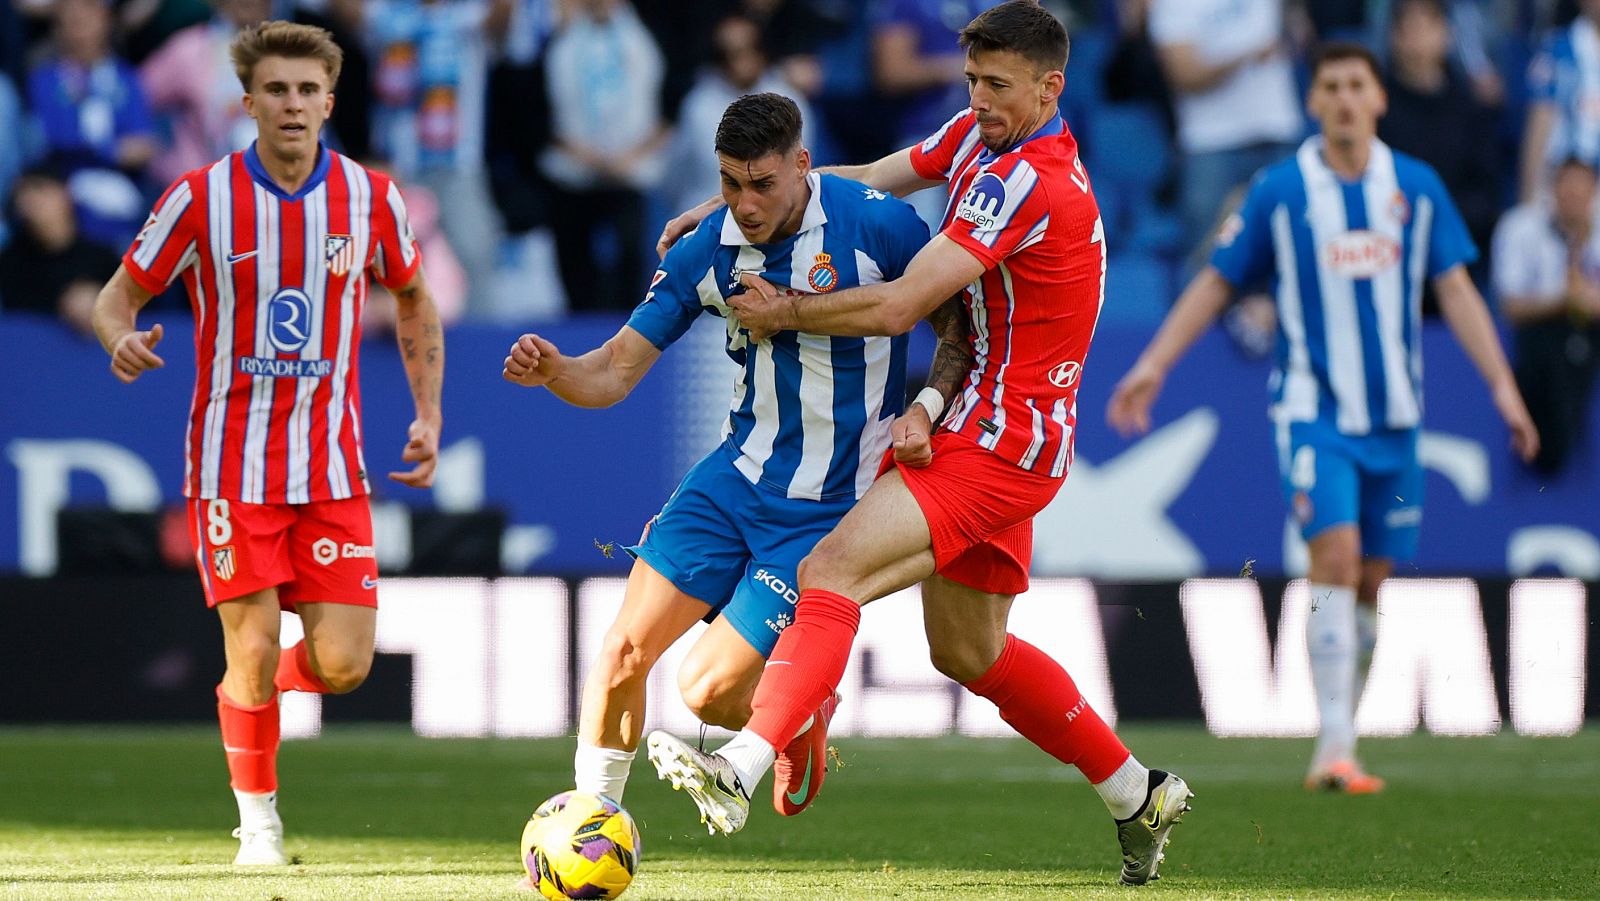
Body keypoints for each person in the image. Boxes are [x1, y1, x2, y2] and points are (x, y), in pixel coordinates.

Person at [645, 2, 1193, 886]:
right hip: (985, 422)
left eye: (998, 86)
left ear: (1052, 89)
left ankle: (740, 764)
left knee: (830, 572)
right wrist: (745, 200)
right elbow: (862, 181)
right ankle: (1136, 791)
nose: (977, 98)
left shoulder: (1029, 179)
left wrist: (786, 309)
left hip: (998, 442)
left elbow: (903, 305)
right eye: (972, 80)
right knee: (968, 651)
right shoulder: (985, 138)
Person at [1107, 42, 1539, 793]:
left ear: (1378, 99)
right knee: (1333, 560)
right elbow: (1216, 281)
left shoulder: (1415, 187)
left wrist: (1501, 384)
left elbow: (1460, 291)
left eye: (1356, 85)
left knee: (1372, 582)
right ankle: (1333, 746)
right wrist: (1154, 363)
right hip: (1313, 414)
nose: (1343, 97)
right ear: (1313, 103)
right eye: (1330, 86)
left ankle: (1343, 730)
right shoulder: (1280, 189)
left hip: (1398, 421)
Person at [503, 91, 943, 819]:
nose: (743, 203)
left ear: (803, 166)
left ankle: (796, 719)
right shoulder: (708, 247)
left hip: (826, 507)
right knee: (620, 653)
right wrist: (555, 369)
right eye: (730, 184)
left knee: (705, 692)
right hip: (733, 479)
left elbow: (958, 323)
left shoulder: (879, 224)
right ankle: (589, 828)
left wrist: (928, 407)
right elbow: (613, 371)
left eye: (762, 184)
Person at [90, 21, 445, 865]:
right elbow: (118, 297)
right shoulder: (200, 199)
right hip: (230, 468)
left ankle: (250, 694)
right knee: (249, 641)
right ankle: (259, 825)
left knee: (345, 665)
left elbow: (415, 298)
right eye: (275, 90)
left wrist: (428, 414)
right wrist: (119, 340)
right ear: (247, 103)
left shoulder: (370, 199)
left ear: (330, 100)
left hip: (330, 466)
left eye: (307, 89)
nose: (292, 104)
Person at [1492, 156, 1600, 475]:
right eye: (1567, 188)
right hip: (1539, 344)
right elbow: (1509, 305)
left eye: (1583, 190)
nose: (1574, 197)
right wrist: (1565, 301)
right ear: (1553, 189)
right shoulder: (1521, 227)